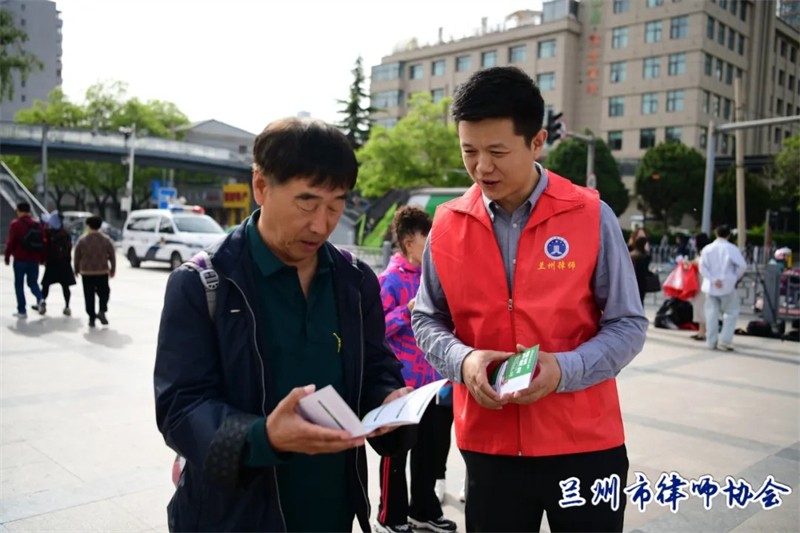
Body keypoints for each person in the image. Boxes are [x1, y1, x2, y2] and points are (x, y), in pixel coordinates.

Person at [411, 66, 648, 532]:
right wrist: (464, 360)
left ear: (537, 142)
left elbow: (628, 323)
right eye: (469, 151)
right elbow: (426, 318)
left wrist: (564, 370)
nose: (482, 167)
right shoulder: (448, 223)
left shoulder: (589, 214)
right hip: (489, 448)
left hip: (584, 444)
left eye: (497, 152)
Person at [154, 118, 415, 532]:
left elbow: (374, 369)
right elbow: (181, 408)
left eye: (336, 205)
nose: (322, 224)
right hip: (232, 518)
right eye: (307, 203)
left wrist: (388, 402)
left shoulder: (354, 281)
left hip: (332, 514)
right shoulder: (204, 283)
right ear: (261, 186)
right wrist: (264, 437)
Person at [375, 206, 456, 533]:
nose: (433, 245)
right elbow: (375, 329)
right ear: (409, 242)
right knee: (396, 453)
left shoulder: (432, 277)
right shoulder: (389, 280)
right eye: (427, 239)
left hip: (433, 383)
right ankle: (390, 517)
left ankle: (423, 510)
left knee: (428, 451)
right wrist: (405, 312)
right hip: (402, 385)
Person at [699, 225, 747, 351]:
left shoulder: (707, 249)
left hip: (711, 286)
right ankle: (725, 341)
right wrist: (734, 277)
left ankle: (711, 341)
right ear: (729, 235)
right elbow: (742, 266)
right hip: (727, 286)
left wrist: (713, 279)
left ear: (716, 233)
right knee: (731, 312)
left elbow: (702, 268)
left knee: (711, 314)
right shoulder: (732, 248)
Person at [4, 202, 46, 318]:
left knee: (19, 285)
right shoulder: (37, 225)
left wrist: (7, 257)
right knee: (33, 283)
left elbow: (10, 242)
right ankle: (40, 299)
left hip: (20, 259)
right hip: (34, 259)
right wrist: (42, 258)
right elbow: (43, 242)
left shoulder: (15, 224)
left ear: (19, 211)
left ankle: (22, 310)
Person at [73, 215, 116, 327]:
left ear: (88, 226)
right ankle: (102, 310)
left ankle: (91, 317)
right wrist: (113, 269)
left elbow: (77, 256)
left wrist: (76, 269)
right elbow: (112, 256)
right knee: (104, 293)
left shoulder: (82, 240)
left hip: (86, 272)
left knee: (89, 295)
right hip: (102, 271)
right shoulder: (106, 240)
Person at [39, 211, 77, 316]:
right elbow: (69, 248)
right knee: (65, 286)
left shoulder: (49, 233)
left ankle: (42, 303)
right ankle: (67, 306)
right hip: (64, 263)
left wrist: (43, 259)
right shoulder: (65, 233)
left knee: (46, 285)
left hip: (52, 263)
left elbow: (45, 247)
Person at [690, 232, 710, 341]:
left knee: (701, 306)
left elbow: (701, 264)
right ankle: (701, 331)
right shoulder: (702, 252)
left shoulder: (705, 252)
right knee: (699, 306)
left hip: (702, 281)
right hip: (699, 280)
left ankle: (702, 332)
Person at [629, 236, 651, 305]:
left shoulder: (632, 254)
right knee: (640, 301)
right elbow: (645, 271)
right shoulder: (644, 256)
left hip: (632, 281)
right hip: (641, 282)